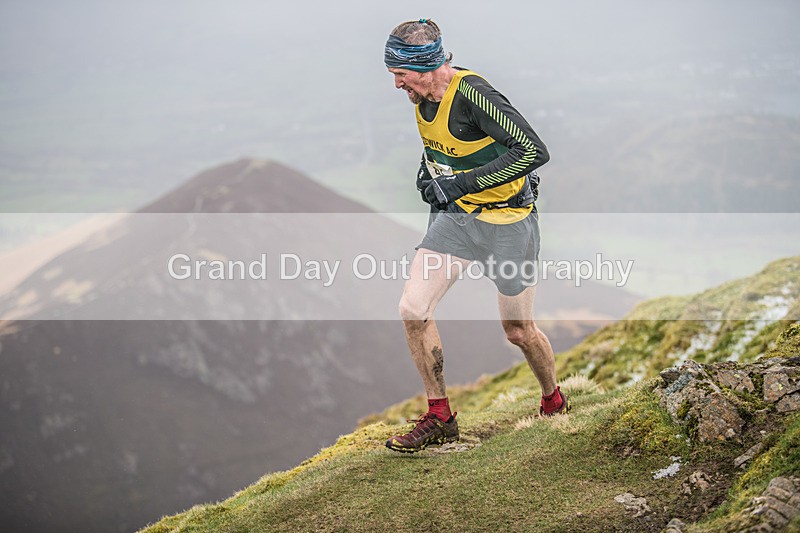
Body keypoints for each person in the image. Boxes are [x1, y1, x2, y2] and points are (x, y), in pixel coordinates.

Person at [383, 19, 570, 454]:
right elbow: (442, 146)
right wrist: (428, 177)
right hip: (458, 220)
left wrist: (460, 184)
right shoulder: (422, 97)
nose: (396, 84)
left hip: (509, 224)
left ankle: (553, 400)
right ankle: (440, 416)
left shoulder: (473, 94)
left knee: (519, 331)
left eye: (401, 74)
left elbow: (533, 151)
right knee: (413, 309)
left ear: (426, 66)